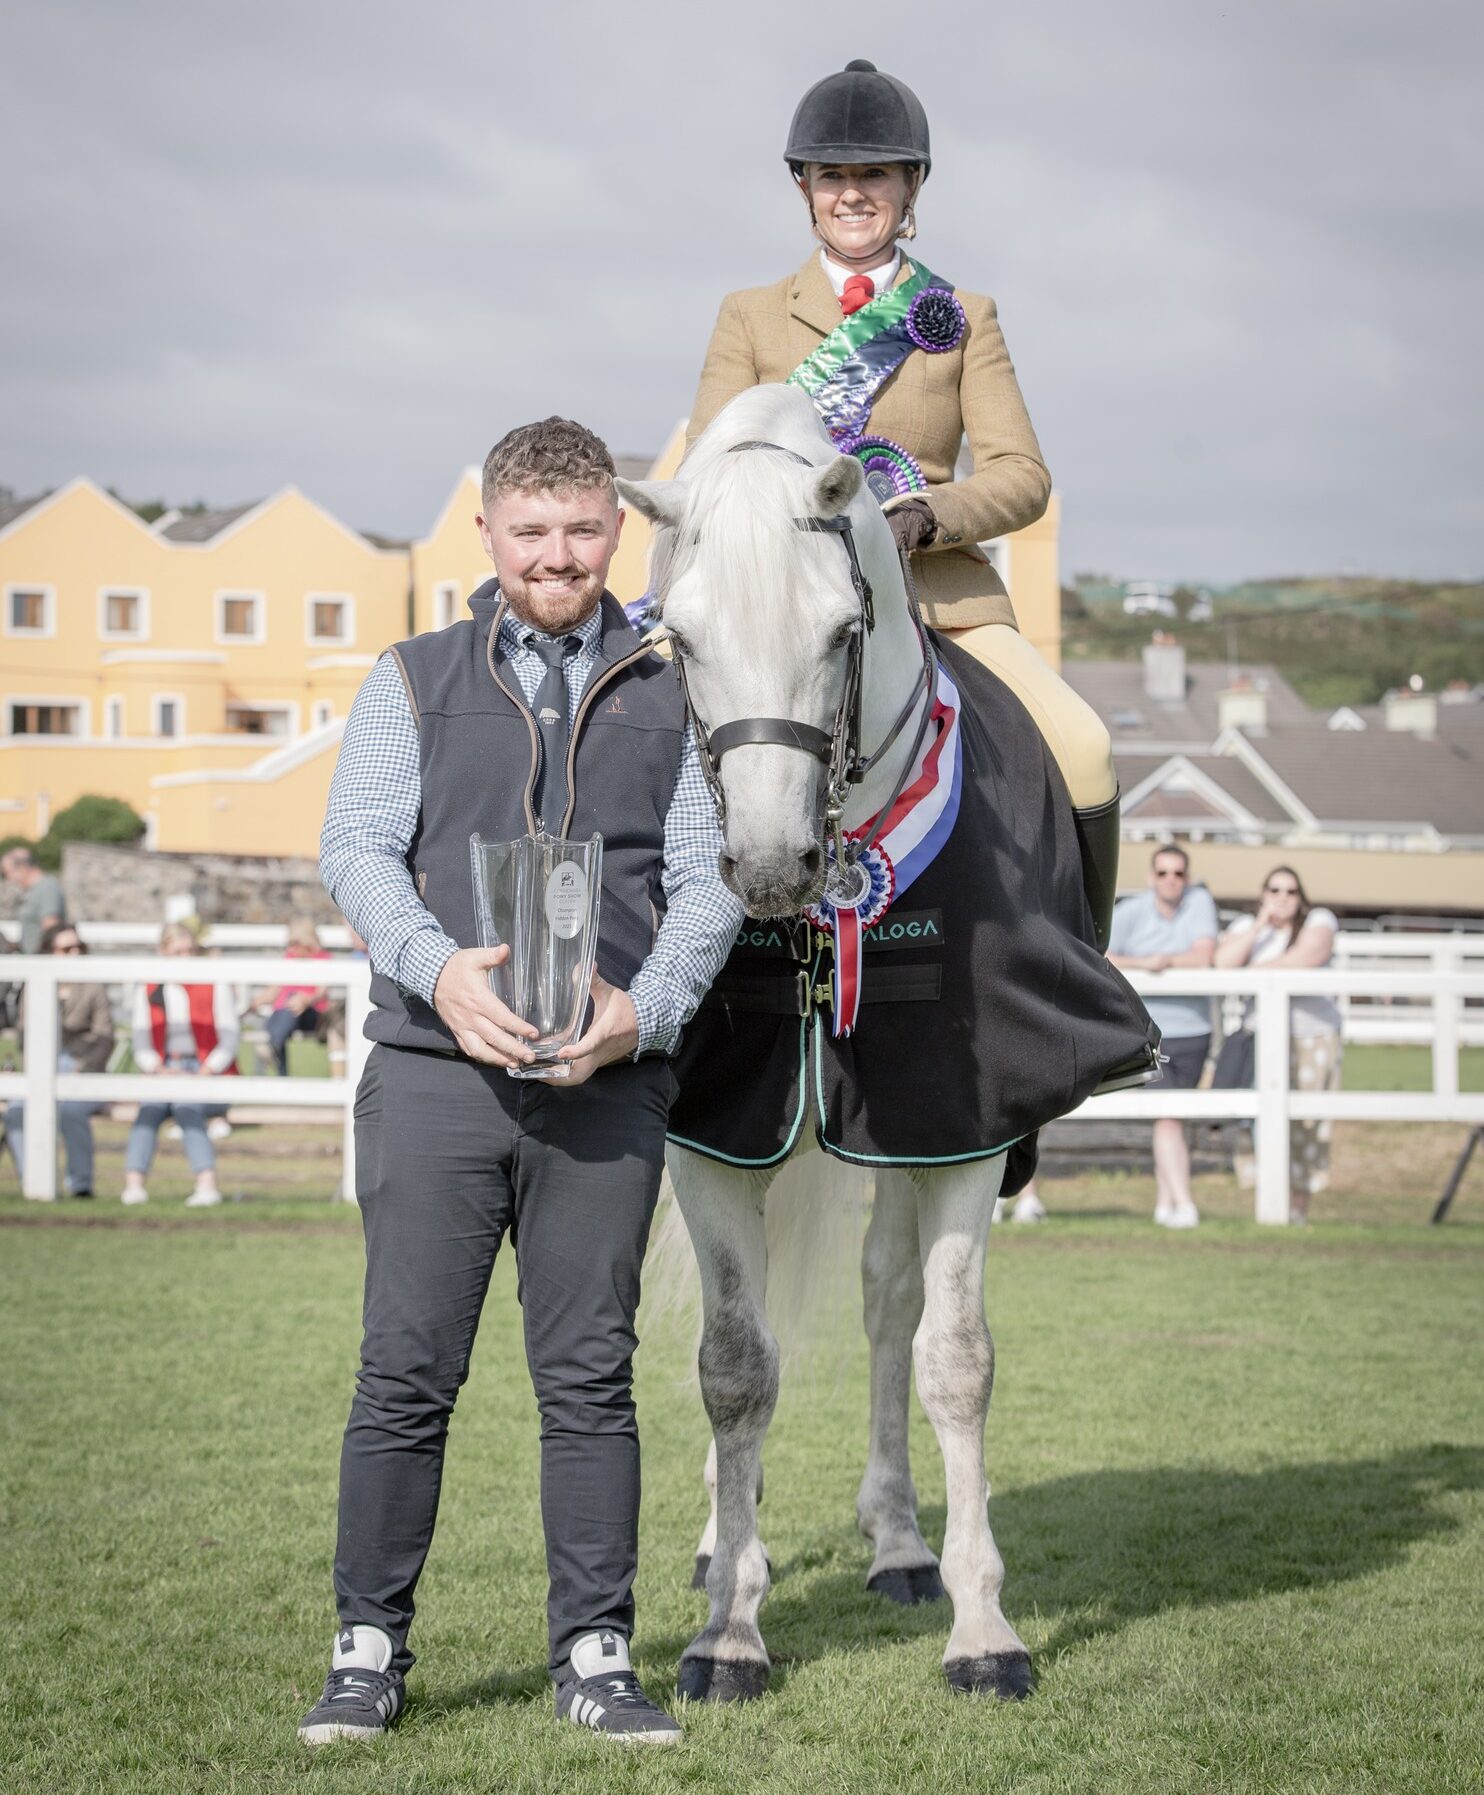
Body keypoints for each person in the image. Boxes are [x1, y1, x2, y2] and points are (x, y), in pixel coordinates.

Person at [305, 417, 743, 1749]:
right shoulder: (413, 674)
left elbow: (712, 877)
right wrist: (444, 974)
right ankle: (368, 1648)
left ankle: (596, 1655)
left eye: (582, 529)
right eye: (532, 531)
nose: (558, 555)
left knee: (589, 1377)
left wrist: (646, 1010)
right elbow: (360, 851)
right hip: (439, 1074)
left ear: (618, 533)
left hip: (605, 1087)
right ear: (488, 535)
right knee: (404, 1371)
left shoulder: (680, 685)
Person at [685, 57, 1122, 950]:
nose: (852, 194)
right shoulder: (751, 316)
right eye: (833, 176)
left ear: (911, 185)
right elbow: (707, 473)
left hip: (939, 599)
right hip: (780, 611)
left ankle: (1085, 979)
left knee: (1083, 747)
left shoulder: (962, 315)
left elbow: (1022, 474)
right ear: (804, 188)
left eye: (873, 174)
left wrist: (927, 515)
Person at [1215, 866, 1342, 1222]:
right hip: (1259, 1038)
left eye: (1290, 892)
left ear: (1301, 897)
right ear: (1262, 895)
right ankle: (1270, 1206)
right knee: (1255, 1123)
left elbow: (1309, 957)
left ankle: (1298, 1210)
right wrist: (1259, 926)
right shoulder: (1246, 929)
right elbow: (1223, 964)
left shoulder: (1319, 920)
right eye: (1274, 890)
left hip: (1311, 1036)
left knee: (1306, 1125)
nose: (1282, 898)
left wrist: (1253, 975)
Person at [1107, 844, 1218, 1227]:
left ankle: (1165, 1202)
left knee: (1174, 1117)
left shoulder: (1199, 904)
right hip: (1151, 1030)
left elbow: (1204, 955)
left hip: (1196, 1029)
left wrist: (1166, 961)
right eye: (1163, 873)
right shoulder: (1130, 912)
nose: (1171, 880)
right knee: (1168, 1115)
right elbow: (1104, 956)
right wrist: (1145, 964)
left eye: (1178, 874)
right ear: (1152, 877)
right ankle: (1184, 1202)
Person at [123, 920, 240, 1207]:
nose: (185, 959)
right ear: (163, 952)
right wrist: (157, 1068)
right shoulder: (149, 988)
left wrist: (208, 1068)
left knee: (186, 1106)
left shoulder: (213, 984)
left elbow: (229, 1038)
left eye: (190, 951)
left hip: (203, 1068)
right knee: (148, 1110)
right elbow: (141, 1042)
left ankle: (206, 1182)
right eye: (177, 952)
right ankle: (134, 1183)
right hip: (164, 1067)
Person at [3, 921, 114, 1199]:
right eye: (66, 948)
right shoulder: (36, 987)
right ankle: (34, 1181)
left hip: (82, 1065)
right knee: (16, 1112)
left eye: (79, 947)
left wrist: (83, 1067)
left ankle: (80, 1184)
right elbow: (25, 1036)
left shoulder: (93, 987)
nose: (74, 953)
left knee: (71, 1111)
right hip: (44, 1064)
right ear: (50, 951)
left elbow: (104, 1038)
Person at [259, 915, 331, 1074]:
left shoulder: (322, 960)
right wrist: (256, 1001)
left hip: (311, 1013)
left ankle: (272, 1048)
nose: (290, 948)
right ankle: (279, 1068)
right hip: (285, 1013)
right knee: (277, 1019)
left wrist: (306, 1000)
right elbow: (276, 988)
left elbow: (322, 992)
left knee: (292, 1002)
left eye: (294, 943)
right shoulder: (289, 959)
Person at [2, 846, 67, 954]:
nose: (9, 878)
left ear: (22, 867)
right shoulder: (33, 891)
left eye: (8, 873)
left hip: (40, 964)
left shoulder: (47, 887)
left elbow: (51, 928)